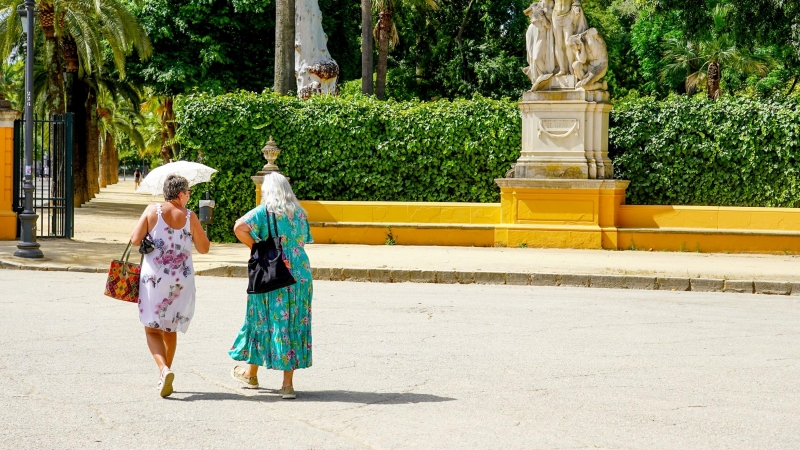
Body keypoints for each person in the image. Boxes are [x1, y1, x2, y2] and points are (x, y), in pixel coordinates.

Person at [229, 172, 313, 400]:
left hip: (273, 271)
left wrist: (256, 247)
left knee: (260, 319)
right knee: (293, 323)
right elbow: (303, 240)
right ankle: (286, 385)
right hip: (300, 274)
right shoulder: (299, 214)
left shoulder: (264, 211)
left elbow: (239, 227)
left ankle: (251, 374)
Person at [130, 174, 210, 397]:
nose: (189, 197)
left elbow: (135, 240)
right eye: (189, 193)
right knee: (169, 328)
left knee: (151, 329)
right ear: (181, 194)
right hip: (181, 281)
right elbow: (204, 248)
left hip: (154, 279)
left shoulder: (152, 211)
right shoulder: (190, 216)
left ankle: (163, 370)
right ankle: (164, 374)